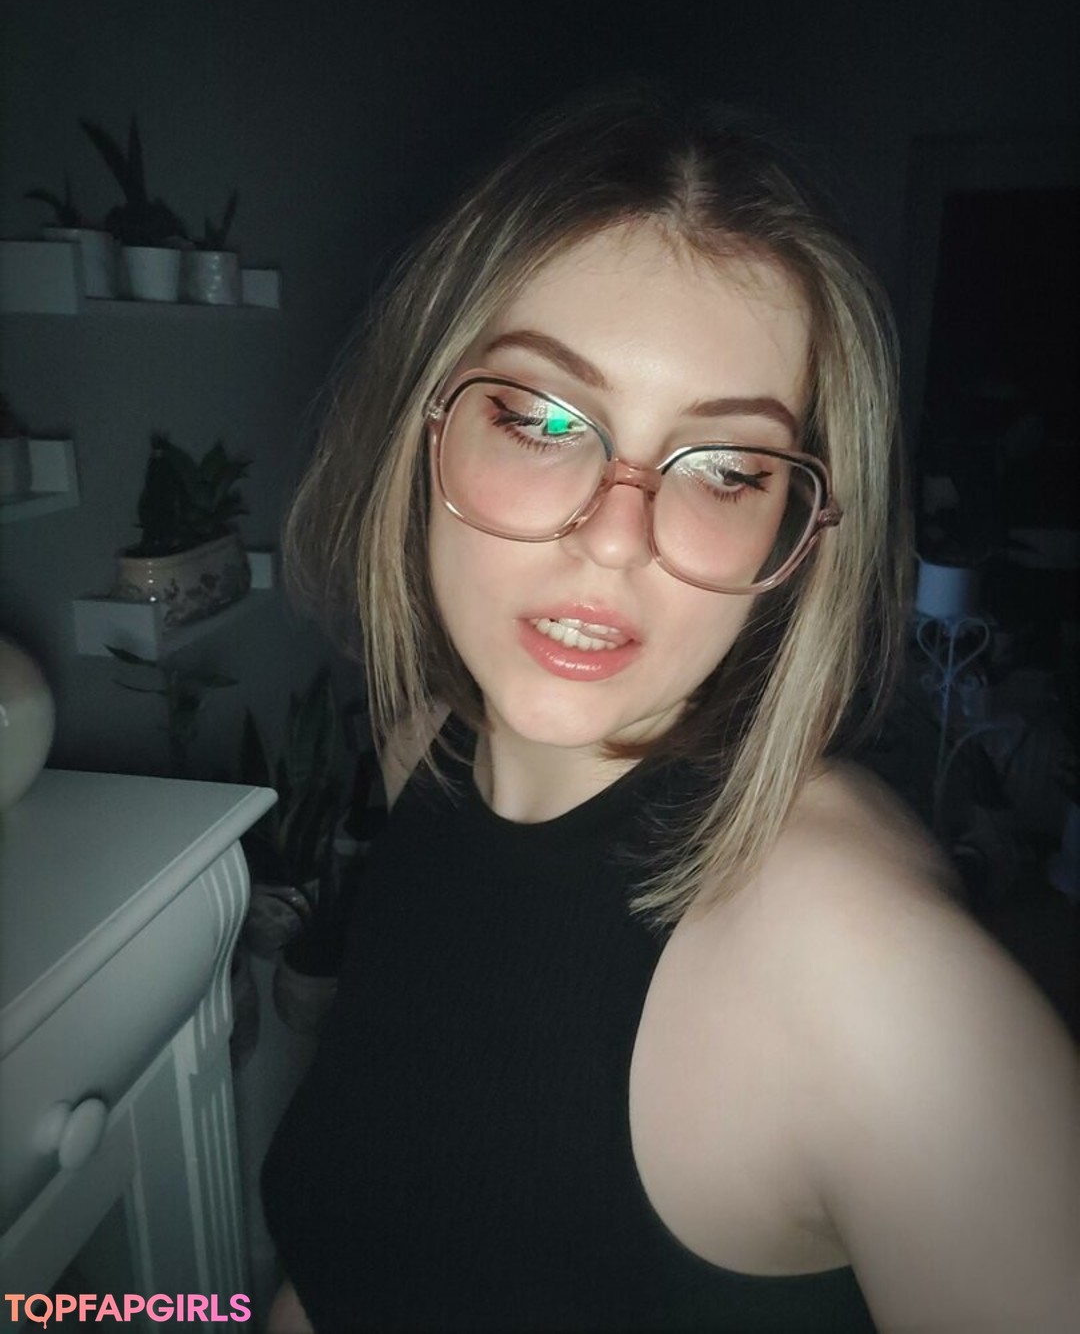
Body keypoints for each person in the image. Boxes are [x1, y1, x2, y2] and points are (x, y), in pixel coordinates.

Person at [261, 90, 1079, 1332]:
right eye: (541, 420)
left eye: (729, 469)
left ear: (798, 529)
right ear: (425, 427)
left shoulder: (876, 983)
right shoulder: (424, 750)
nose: (615, 534)